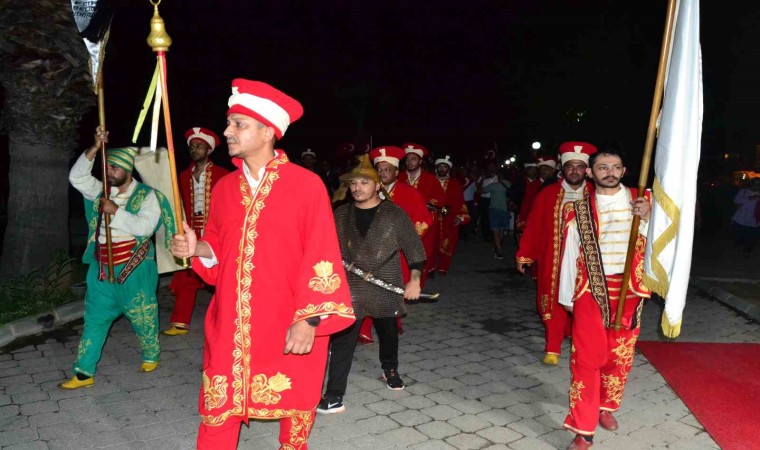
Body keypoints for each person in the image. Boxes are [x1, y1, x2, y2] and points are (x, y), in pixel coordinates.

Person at [169, 79, 355, 450]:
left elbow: (322, 254)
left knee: (295, 405)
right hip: (231, 323)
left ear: (268, 130)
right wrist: (198, 246)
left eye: (238, 123)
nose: (227, 131)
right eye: (229, 123)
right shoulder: (224, 188)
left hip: (289, 319)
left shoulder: (306, 185)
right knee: (217, 409)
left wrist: (310, 320)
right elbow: (219, 249)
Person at [59, 127, 176, 389]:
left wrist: (115, 212)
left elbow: (145, 228)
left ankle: (151, 354)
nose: (109, 172)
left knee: (143, 316)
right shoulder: (100, 191)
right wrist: (93, 147)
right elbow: (77, 177)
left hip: (134, 269)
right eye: (107, 167)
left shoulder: (148, 196)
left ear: (127, 170)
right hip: (101, 269)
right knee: (94, 320)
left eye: (114, 168)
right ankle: (84, 372)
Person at [557, 146, 651, 450]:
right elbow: (570, 255)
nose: (609, 172)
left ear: (623, 171)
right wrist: (567, 299)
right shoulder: (578, 209)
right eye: (602, 167)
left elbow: (666, 244)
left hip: (631, 290)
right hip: (589, 292)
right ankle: (583, 430)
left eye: (615, 167)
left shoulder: (646, 201)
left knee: (618, 356)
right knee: (585, 359)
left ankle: (605, 407)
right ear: (590, 172)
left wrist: (649, 219)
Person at [318, 155, 426, 414]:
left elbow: (415, 249)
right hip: (350, 286)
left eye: (364, 182)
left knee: (388, 334)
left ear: (377, 185)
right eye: (354, 182)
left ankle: (389, 368)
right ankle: (334, 395)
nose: (357, 187)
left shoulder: (394, 214)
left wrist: (414, 280)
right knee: (343, 340)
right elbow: (324, 247)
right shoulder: (341, 214)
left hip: (385, 284)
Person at [516, 142, 596, 366]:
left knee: (584, 301)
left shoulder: (597, 193)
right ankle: (552, 346)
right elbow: (534, 225)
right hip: (553, 258)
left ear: (586, 170)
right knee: (552, 301)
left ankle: (578, 341)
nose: (574, 171)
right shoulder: (548, 194)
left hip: (587, 260)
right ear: (563, 168)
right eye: (570, 166)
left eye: (579, 167)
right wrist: (525, 254)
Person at [353, 145, 433, 344]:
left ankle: (393, 321)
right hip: (369, 252)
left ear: (397, 172)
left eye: (387, 169)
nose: (383, 173)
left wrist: (403, 241)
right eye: (379, 170)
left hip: (398, 254)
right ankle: (364, 328)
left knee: (392, 289)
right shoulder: (368, 191)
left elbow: (424, 221)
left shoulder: (410, 194)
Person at [164, 127, 229, 336]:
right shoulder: (182, 176)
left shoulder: (223, 175)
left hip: (215, 232)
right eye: (192, 146)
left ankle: (226, 320)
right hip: (191, 230)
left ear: (208, 150)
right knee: (186, 274)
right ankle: (180, 322)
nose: (195, 149)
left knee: (223, 276)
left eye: (199, 146)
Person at [398, 142, 447, 278]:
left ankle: (418, 282)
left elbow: (441, 199)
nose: (410, 162)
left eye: (413, 159)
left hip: (424, 223)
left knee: (424, 252)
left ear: (420, 161)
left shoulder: (431, 179)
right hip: (402, 222)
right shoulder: (399, 178)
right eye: (407, 159)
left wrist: (429, 204)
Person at [433, 155, 470, 275]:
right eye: (440, 166)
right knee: (431, 244)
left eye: (445, 167)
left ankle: (443, 267)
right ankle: (430, 268)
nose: (442, 169)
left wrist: (461, 217)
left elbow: (460, 201)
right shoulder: (430, 181)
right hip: (431, 217)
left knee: (448, 243)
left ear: (448, 169)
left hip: (449, 218)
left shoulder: (455, 184)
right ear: (436, 168)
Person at [517, 155, 558, 231]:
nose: (543, 171)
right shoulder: (532, 185)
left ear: (553, 170)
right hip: (536, 221)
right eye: (541, 168)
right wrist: (522, 220)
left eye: (546, 168)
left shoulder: (559, 184)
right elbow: (527, 204)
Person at [477, 169, 510, 259]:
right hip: (505, 210)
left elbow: (480, 191)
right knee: (501, 231)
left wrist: (480, 181)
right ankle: (497, 247)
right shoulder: (509, 184)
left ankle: (499, 251)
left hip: (494, 209)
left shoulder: (494, 186)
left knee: (495, 231)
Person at [731, 177, 760, 256]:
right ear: (751, 184)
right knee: (740, 238)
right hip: (741, 220)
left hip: (755, 222)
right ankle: (739, 248)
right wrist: (750, 198)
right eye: (755, 183)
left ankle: (747, 252)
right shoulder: (743, 192)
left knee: (752, 239)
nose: (757, 186)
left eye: (759, 184)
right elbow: (736, 202)